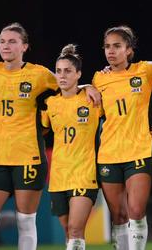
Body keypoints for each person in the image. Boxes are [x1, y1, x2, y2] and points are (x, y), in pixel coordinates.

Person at [0, 23, 58, 250]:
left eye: (12, 41)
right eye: (2, 41)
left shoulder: (39, 74)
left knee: (25, 221)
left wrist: (87, 87)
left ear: (25, 46)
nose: (6, 45)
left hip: (28, 157)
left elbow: (68, 88)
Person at [92, 26, 152, 250]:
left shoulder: (145, 71)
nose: (111, 51)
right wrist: (84, 87)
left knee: (136, 211)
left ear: (129, 50)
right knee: (118, 215)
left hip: (138, 150)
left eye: (117, 46)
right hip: (109, 153)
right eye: (107, 46)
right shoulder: (99, 79)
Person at [41, 44, 103, 250]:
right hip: (58, 176)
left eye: (68, 71)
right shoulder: (50, 103)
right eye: (58, 71)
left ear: (78, 74)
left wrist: (88, 87)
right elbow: (40, 131)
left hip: (84, 173)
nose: (62, 75)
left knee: (76, 230)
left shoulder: (92, 100)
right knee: (68, 230)